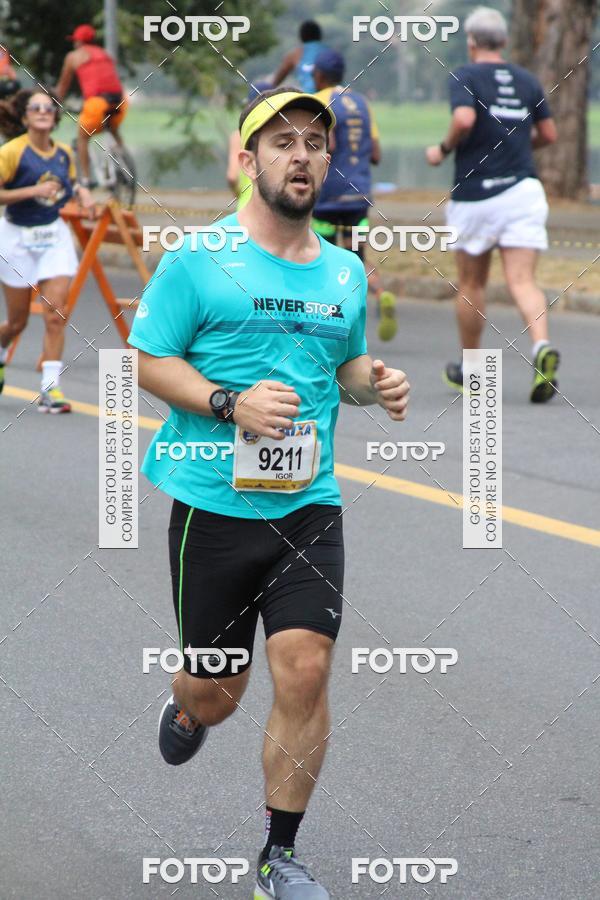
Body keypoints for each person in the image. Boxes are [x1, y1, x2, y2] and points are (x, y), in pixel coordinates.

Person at [127, 87, 409, 899]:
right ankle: (187, 707)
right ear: (250, 160)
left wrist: (374, 381)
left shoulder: (344, 271)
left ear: (329, 161)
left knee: (305, 670)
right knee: (218, 692)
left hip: (307, 506)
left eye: (315, 144)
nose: (301, 155)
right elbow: (148, 360)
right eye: (282, 142)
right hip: (212, 506)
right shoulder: (197, 258)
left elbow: (343, 363)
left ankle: (278, 858)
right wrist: (228, 401)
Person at [425, 6, 559, 403]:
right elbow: (549, 133)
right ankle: (541, 347)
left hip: (477, 194)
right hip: (522, 190)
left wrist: (443, 148)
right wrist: (518, 145)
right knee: (523, 281)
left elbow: (464, 120)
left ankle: (471, 369)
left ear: (471, 42)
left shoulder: (465, 76)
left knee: (471, 283)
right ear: (502, 41)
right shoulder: (527, 79)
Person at [0, 89, 94, 411]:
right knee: (17, 323)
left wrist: (83, 193)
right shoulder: (12, 152)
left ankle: (50, 389)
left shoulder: (64, 153)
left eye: (49, 108)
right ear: (25, 117)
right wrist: (33, 190)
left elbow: (68, 185)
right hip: (16, 237)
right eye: (35, 108)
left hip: (53, 237)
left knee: (56, 315)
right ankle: (1, 354)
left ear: (54, 118)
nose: (43, 112)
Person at [311, 49, 397, 341]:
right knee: (356, 256)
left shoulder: (320, 101)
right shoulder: (361, 101)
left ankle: (332, 324)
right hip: (359, 196)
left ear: (319, 75)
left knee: (321, 257)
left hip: (328, 196)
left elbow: (328, 143)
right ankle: (380, 293)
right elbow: (375, 153)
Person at [54, 24, 128, 187]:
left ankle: (86, 179)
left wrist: (55, 105)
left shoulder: (73, 56)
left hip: (97, 103)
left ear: (79, 42)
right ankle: (124, 161)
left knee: (82, 137)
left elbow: (62, 87)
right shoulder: (105, 54)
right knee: (113, 129)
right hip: (121, 102)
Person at [226, 79, 271, 210]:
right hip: (277, 214)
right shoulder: (284, 138)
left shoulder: (239, 136)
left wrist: (239, 195)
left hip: (247, 210)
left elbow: (232, 177)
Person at [272, 20, 325, 94]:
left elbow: (275, 82)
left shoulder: (295, 54)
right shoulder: (330, 52)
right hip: (329, 96)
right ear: (320, 36)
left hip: (308, 97)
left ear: (301, 37)